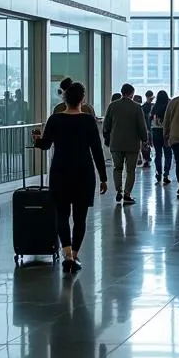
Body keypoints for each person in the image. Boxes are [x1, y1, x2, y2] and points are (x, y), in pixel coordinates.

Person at [32, 81, 108, 274]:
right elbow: (97, 150)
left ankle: (66, 254)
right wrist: (103, 177)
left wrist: (37, 140)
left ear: (64, 98)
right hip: (83, 172)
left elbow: (46, 145)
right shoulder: (88, 120)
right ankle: (75, 255)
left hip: (60, 171)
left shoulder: (55, 119)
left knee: (62, 214)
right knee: (80, 217)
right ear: (82, 99)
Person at [102, 83, 148, 205]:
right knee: (130, 170)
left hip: (116, 143)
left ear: (122, 92)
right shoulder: (137, 107)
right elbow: (142, 126)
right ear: (132, 94)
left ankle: (118, 191)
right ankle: (127, 194)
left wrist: (107, 138)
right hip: (132, 144)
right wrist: (145, 139)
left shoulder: (112, 106)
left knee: (117, 168)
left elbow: (106, 125)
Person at [150, 90, 172, 185]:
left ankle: (158, 173)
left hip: (156, 132)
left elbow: (150, 121)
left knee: (158, 154)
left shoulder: (154, 108)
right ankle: (166, 174)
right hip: (166, 133)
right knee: (168, 154)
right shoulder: (168, 108)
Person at [140, 90, 155, 168]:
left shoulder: (144, 106)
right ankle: (146, 159)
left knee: (145, 144)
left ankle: (146, 159)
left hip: (146, 127)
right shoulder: (151, 106)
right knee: (147, 144)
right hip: (149, 128)